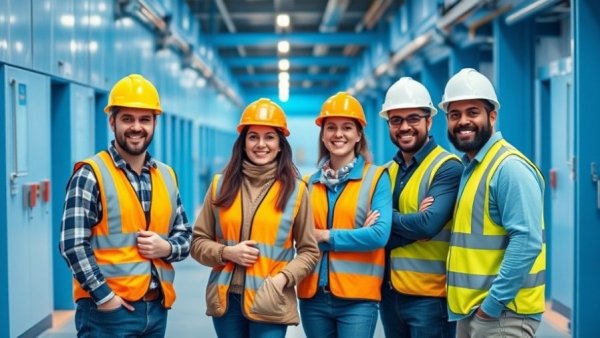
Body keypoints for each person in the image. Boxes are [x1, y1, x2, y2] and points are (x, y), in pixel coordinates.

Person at [59, 74, 192, 337]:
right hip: (107, 313)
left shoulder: (166, 175)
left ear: (154, 123)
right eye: (127, 119)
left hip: (156, 309)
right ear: (112, 122)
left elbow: (185, 235)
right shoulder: (91, 174)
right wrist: (104, 297)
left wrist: (166, 247)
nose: (136, 127)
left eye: (144, 119)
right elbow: (72, 243)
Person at [190, 98, 319, 338]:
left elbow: (309, 252)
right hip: (225, 301)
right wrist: (226, 253)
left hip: (269, 300)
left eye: (269, 137)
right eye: (253, 137)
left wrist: (282, 280)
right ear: (243, 143)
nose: (261, 144)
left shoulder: (296, 190)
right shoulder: (220, 185)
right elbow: (197, 242)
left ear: (280, 144)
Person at [440, 68, 545, 338]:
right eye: (455, 115)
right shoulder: (473, 167)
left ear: (492, 116)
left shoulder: (508, 167)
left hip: (503, 315)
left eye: (472, 112)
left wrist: (492, 306)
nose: (463, 121)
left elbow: (527, 241)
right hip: (476, 312)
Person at [298, 92, 392, 338]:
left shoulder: (376, 178)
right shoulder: (307, 184)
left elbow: (379, 235)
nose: (338, 134)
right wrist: (357, 234)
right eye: (331, 128)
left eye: (347, 127)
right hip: (312, 297)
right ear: (323, 134)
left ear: (358, 134)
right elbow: (297, 235)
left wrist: (323, 235)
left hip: (358, 300)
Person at [378, 77, 462, 338]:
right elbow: (373, 233)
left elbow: (429, 224)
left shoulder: (447, 167)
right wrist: (412, 225)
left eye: (413, 118)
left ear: (429, 120)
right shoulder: (385, 172)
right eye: (396, 120)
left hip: (430, 298)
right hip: (389, 295)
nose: (404, 127)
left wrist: (385, 221)